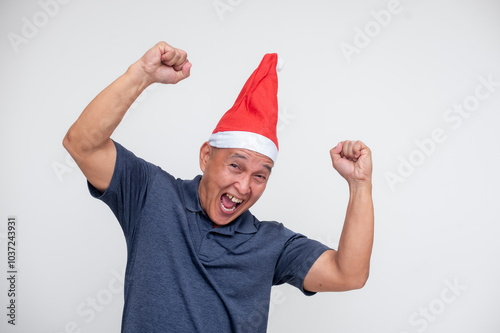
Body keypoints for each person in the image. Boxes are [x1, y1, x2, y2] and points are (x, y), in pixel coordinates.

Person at [63, 41, 374, 333]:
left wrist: (359, 185)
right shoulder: (151, 195)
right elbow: (82, 145)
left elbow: (349, 274)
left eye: (260, 175)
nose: (243, 185)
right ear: (206, 156)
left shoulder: (272, 243)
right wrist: (141, 75)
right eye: (235, 165)